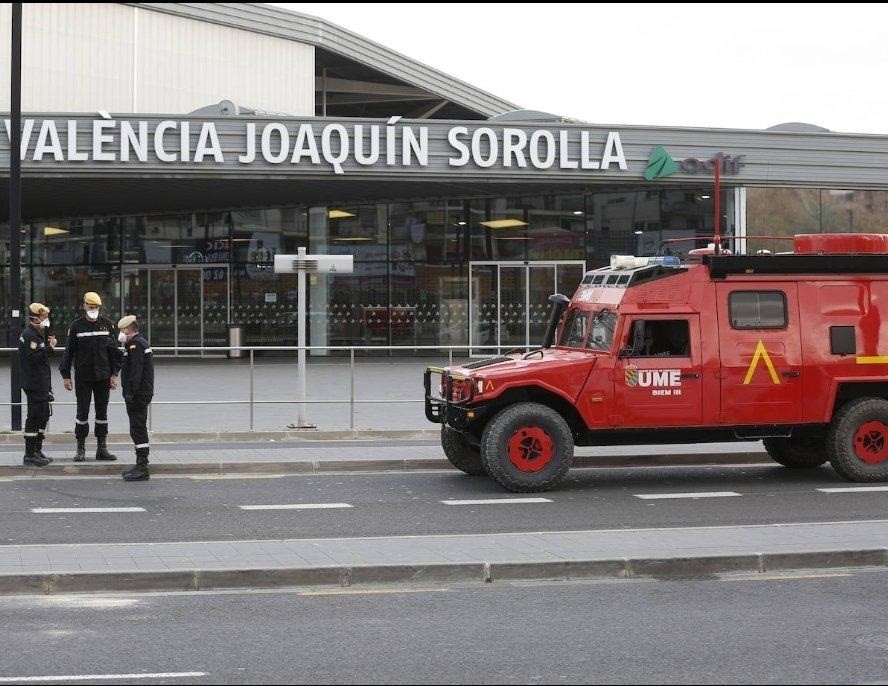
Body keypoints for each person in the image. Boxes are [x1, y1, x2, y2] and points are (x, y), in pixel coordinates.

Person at [59, 292, 120, 462]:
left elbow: (114, 352)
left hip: (103, 376)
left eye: (96, 307)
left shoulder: (107, 325)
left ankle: (102, 448)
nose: (93, 310)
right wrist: (66, 375)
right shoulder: (76, 326)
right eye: (90, 307)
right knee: (82, 413)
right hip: (83, 376)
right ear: (84, 306)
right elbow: (68, 352)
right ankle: (80, 448)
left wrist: (115, 374)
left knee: (102, 413)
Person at [19, 303, 57, 467]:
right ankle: (29, 454)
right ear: (35, 318)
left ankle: (37, 450)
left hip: (40, 383)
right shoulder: (29, 336)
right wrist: (50, 348)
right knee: (34, 417)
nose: (46, 320)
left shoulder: (36, 334)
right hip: (34, 384)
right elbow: (35, 358)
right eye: (43, 318)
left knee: (43, 416)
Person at [117, 315, 154, 481]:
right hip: (139, 393)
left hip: (138, 394)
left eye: (121, 330)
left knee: (137, 428)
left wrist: (130, 392)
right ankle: (140, 464)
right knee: (137, 427)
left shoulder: (136, 344)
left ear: (128, 329)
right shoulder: (137, 342)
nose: (120, 334)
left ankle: (142, 466)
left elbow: (135, 371)